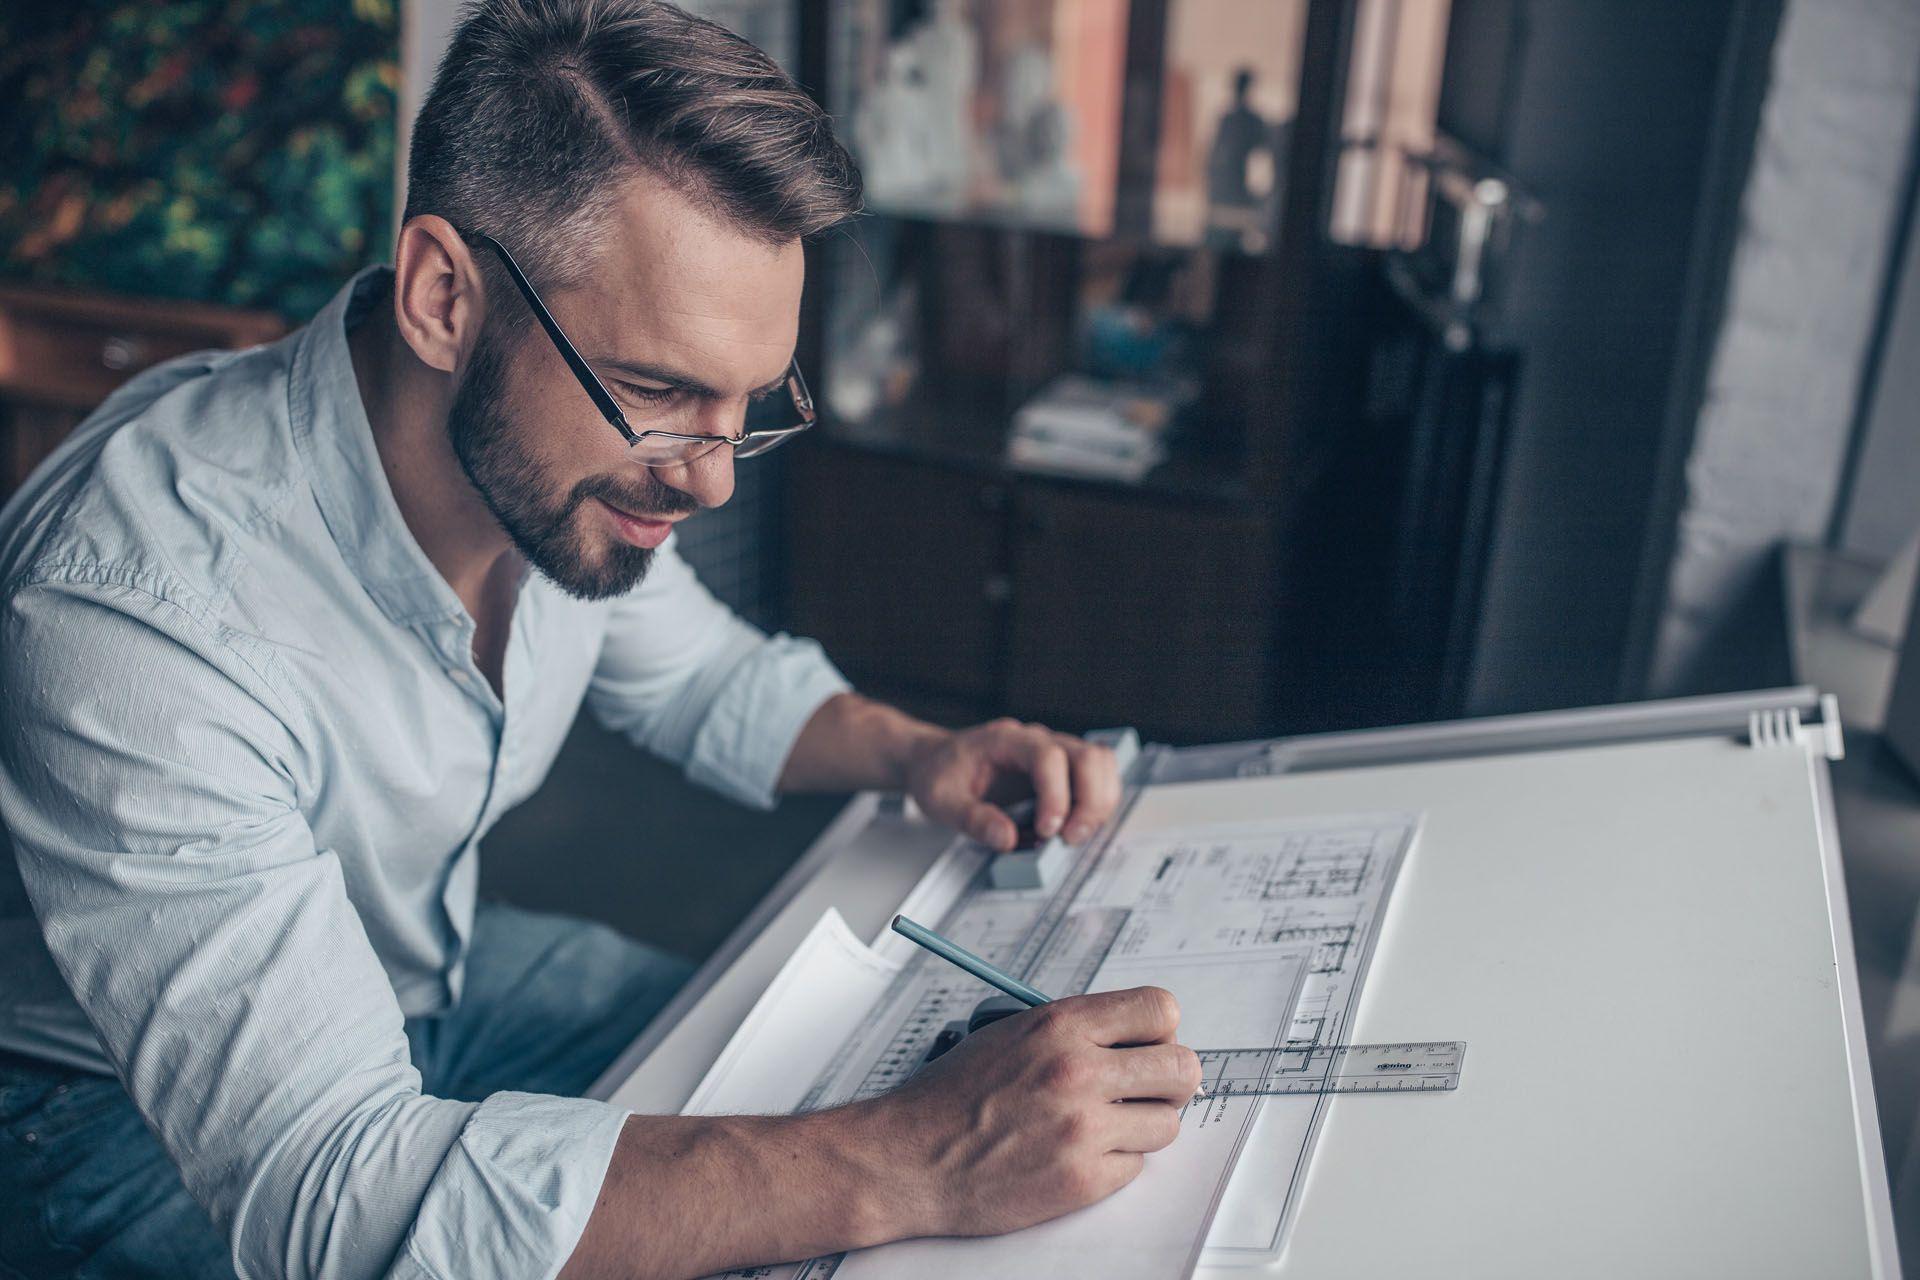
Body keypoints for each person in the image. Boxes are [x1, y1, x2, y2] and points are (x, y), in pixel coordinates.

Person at [0, 2, 1202, 1278]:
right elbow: (333, 1192)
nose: (716, 479)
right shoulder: (137, 615)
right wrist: (915, 1158)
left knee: (813, 1057)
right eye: (659, 392)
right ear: (443, 296)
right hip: (104, 1112)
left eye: (744, 404)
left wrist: (921, 752)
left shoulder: (532, 456)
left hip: (419, 962)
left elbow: (699, 675)